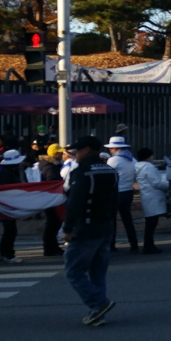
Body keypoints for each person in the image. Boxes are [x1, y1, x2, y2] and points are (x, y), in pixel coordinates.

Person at [62, 136, 118, 326]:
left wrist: (68, 228)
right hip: (106, 226)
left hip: (86, 227)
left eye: (77, 150)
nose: (75, 154)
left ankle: (99, 303)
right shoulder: (110, 170)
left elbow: (75, 202)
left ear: (86, 150)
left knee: (73, 271)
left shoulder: (82, 172)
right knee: (98, 273)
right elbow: (114, 200)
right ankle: (98, 312)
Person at [104, 136, 139, 254]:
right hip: (128, 191)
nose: (110, 150)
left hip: (116, 192)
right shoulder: (132, 159)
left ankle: (111, 245)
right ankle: (134, 244)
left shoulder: (113, 160)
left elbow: (108, 175)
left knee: (112, 220)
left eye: (111, 148)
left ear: (117, 148)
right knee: (127, 219)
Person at [0, 149, 26, 264]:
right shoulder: (6, 174)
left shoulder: (7, 172)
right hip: (7, 205)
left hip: (8, 205)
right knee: (10, 230)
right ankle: (6, 254)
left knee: (10, 230)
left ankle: (6, 253)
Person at [134, 148, 168, 254]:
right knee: (152, 224)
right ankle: (149, 246)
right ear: (148, 157)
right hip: (153, 197)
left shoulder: (138, 166)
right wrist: (169, 185)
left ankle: (149, 245)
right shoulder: (148, 167)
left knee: (150, 223)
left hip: (146, 196)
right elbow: (156, 183)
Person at [37, 144, 66, 256]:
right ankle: (50, 248)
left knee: (53, 222)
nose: (61, 154)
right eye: (59, 152)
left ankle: (52, 247)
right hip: (52, 197)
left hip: (50, 196)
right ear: (55, 154)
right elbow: (52, 181)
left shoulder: (50, 165)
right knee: (53, 222)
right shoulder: (50, 167)